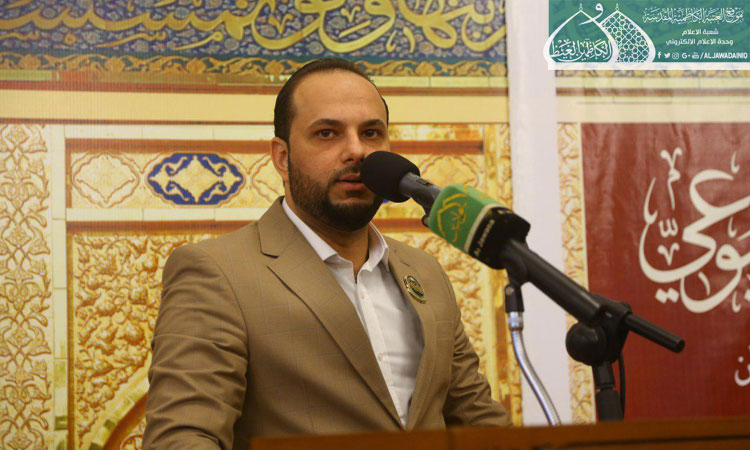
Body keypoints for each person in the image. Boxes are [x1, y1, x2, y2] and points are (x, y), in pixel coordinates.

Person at [143, 58, 511, 450]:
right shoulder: (217, 272)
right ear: (282, 157)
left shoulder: (424, 272)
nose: (356, 151)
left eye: (371, 133)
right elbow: (181, 438)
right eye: (327, 133)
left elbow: (481, 424)